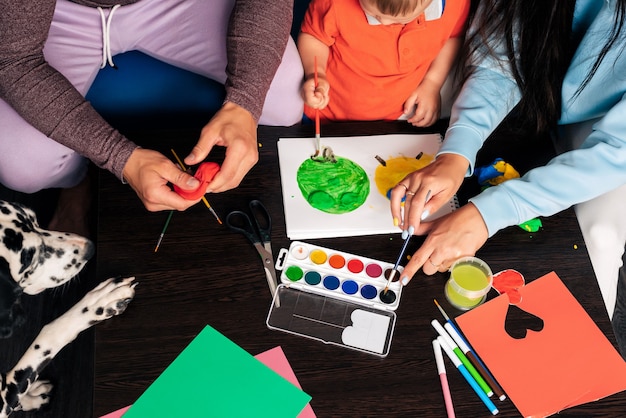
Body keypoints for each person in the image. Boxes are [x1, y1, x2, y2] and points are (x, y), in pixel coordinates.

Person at [389, 0, 626, 355]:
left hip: (611, 135)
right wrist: (456, 153)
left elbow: (614, 152)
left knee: (602, 236)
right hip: (550, 97)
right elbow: (502, 57)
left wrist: (488, 214)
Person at [0, 0, 304, 234]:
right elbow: (14, 60)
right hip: (59, 13)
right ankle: (77, 183)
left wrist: (245, 103)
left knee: (285, 100)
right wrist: (118, 157)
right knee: (23, 165)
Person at [297, 0, 469, 127]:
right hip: (327, 115)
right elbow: (314, 37)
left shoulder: (455, 4)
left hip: (399, 119)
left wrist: (432, 83)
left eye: (399, 20)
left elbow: (452, 37)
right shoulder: (335, 3)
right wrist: (316, 73)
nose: (383, 23)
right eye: (374, 14)